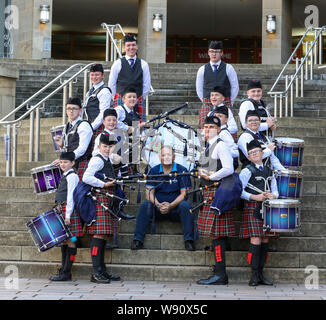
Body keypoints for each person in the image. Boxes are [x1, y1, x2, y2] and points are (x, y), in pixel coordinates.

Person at [131, 145, 195, 251]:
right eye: (163, 155)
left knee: (186, 206)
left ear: (174, 157)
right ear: (159, 157)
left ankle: (189, 241)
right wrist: (158, 204)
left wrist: (171, 206)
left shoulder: (182, 170)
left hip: (175, 210)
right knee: (145, 205)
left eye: (169, 155)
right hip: (158, 209)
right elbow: (149, 194)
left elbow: (185, 194)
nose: (166, 157)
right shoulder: (154, 171)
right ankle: (137, 240)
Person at [196, 115, 236, 285]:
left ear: (218, 129)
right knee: (214, 235)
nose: (207, 129)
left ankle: (221, 274)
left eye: (211, 127)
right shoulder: (208, 145)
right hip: (208, 192)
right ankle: (219, 271)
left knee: (217, 235)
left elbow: (229, 168)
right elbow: (207, 168)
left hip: (217, 193)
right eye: (205, 127)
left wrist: (212, 177)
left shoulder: (221, 145)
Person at [239, 139, 279, 286]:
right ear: (248, 157)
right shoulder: (246, 171)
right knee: (255, 239)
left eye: (256, 152)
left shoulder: (270, 170)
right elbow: (240, 191)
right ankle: (254, 276)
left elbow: (276, 190)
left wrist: (273, 196)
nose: (254, 154)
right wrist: (255, 197)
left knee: (265, 240)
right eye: (251, 153)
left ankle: (261, 274)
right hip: (253, 207)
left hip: (267, 208)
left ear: (262, 153)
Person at [82, 133, 121, 283]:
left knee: (103, 235)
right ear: (99, 147)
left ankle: (102, 271)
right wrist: (104, 184)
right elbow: (86, 177)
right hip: (99, 200)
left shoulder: (107, 159)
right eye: (104, 146)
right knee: (98, 235)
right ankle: (96, 273)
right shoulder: (97, 160)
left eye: (110, 146)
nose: (107, 149)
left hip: (106, 199)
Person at [49, 151, 82, 281]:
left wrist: (68, 215)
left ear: (72, 163)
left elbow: (71, 197)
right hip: (62, 209)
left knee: (71, 240)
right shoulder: (65, 174)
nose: (63, 164)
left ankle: (67, 272)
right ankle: (64, 270)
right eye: (61, 162)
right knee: (64, 240)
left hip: (69, 211)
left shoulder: (72, 176)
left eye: (66, 162)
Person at [108, 34, 151, 122]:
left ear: (137, 46)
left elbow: (146, 85)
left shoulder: (144, 64)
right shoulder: (117, 63)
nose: (131, 48)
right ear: (124, 47)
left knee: (137, 131)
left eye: (133, 45)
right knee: (119, 128)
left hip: (137, 100)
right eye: (128, 45)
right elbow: (111, 84)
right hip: (120, 100)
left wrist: (140, 98)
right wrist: (117, 98)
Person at [196, 41, 239, 128]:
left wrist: (228, 102)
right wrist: (206, 102)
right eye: (212, 51)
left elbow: (235, 87)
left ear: (221, 53)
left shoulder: (229, 68)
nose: (214, 54)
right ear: (208, 52)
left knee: (228, 128)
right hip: (208, 103)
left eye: (217, 51)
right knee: (205, 130)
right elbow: (199, 89)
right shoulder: (202, 69)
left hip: (225, 103)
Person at [53, 97, 93, 180]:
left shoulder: (84, 125)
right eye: (68, 108)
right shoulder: (67, 126)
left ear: (80, 110)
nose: (71, 111)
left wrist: (65, 159)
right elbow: (69, 146)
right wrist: (61, 145)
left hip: (81, 163)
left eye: (74, 109)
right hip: (71, 163)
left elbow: (82, 149)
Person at [210, 104, 239, 169]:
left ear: (226, 119)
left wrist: (221, 153)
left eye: (220, 116)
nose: (216, 118)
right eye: (215, 116)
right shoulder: (217, 132)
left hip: (224, 166)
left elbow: (235, 152)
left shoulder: (224, 133)